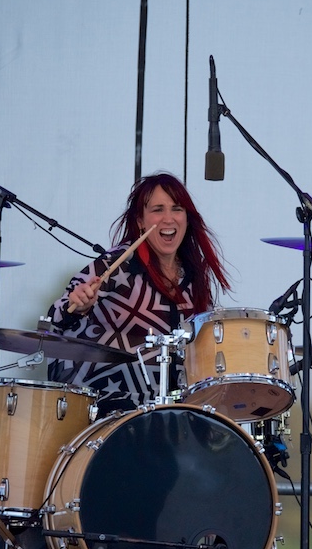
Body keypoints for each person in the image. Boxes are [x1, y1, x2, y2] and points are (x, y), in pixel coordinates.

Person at [47, 171, 231, 417]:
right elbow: (56, 318)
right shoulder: (118, 264)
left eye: (177, 209)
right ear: (140, 221)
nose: (169, 218)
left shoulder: (193, 276)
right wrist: (78, 305)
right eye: (158, 210)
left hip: (168, 408)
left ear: (187, 218)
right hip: (102, 405)